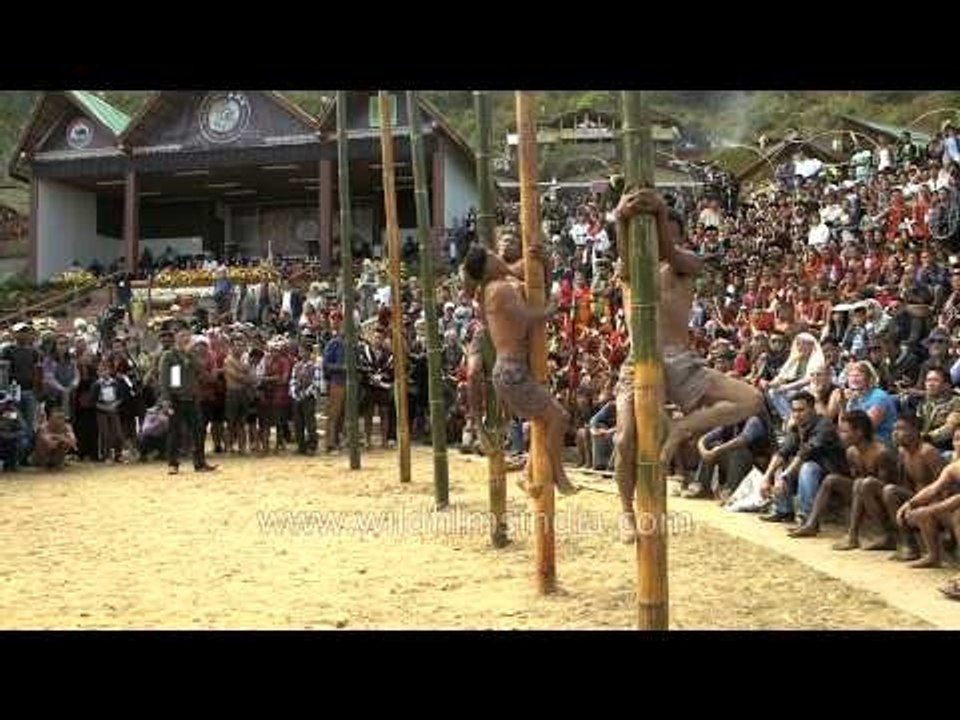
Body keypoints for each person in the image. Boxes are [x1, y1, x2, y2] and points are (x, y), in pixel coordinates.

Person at [610, 187, 763, 539]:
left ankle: (683, 428)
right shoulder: (631, 266)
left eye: (668, 232)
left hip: (680, 359)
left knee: (751, 399)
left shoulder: (685, 264)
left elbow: (671, 253)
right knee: (623, 440)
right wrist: (621, 218)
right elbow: (627, 256)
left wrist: (661, 214)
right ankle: (625, 511)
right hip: (638, 362)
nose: (661, 239)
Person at [460, 242, 576, 496]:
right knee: (559, 417)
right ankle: (557, 472)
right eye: (492, 255)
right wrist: (550, 310)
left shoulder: (501, 283)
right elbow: (525, 318)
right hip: (511, 372)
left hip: (513, 371)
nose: (497, 255)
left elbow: (529, 278)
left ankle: (527, 474)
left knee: (544, 422)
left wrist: (543, 264)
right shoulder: (498, 289)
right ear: (488, 265)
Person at [789, 410, 897, 540]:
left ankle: (858, 535)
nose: (840, 435)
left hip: (881, 497)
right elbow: (854, 479)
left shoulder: (881, 453)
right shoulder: (851, 452)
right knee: (831, 480)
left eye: (845, 432)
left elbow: (884, 487)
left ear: (859, 432)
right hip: (860, 491)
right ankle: (811, 524)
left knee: (863, 484)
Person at [759, 391, 848, 525]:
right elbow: (782, 452)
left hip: (832, 474)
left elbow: (806, 452)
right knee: (782, 465)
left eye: (801, 410)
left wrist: (784, 476)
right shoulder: (797, 427)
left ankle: (807, 517)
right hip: (811, 474)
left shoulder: (824, 425)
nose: (796, 414)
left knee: (807, 467)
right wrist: (766, 477)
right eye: (794, 410)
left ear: (812, 409)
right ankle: (783, 510)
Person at [894, 425, 960, 568]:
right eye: (956, 439)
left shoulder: (929, 453)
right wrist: (910, 504)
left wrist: (930, 510)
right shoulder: (953, 467)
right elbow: (933, 489)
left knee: (958, 516)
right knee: (922, 508)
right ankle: (933, 556)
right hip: (950, 508)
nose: (959, 443)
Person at [881, 413, 944, 561]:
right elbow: (905, 482)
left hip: (933, 500)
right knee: (889, 490)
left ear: (916, 431)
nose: (895, 433)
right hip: (915, 497)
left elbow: (943, 486)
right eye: (894, 429)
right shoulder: (902, 452)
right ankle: (909, 545)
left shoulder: (928, 452)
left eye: (901, 429)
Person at [159, 328, 217, 475]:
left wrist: (191, 356)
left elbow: (201, 370)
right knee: (175, 433)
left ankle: (199, 462)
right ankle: (173, 463)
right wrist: (166, 399)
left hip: (192, 399)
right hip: (176, 399)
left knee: (198, 431)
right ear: (176, 338)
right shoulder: (170, 356)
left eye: (188, 336)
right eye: (182, 336)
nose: (186, 338)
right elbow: (167, 380)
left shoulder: (191, 355)